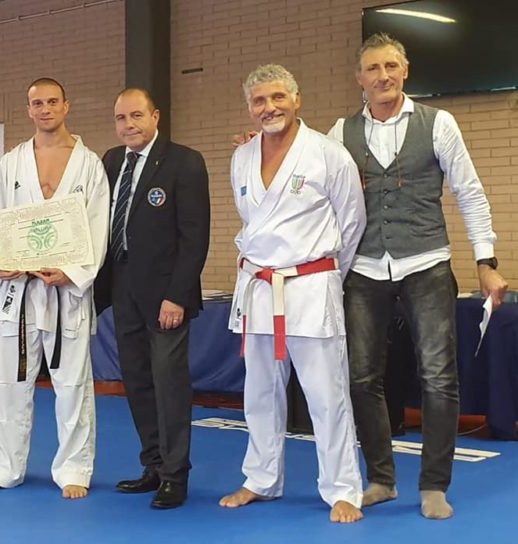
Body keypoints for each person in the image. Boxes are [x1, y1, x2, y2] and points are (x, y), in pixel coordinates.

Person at [328, 33, 509, 520]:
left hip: (426, 262)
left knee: (438, 376)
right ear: (359, 78)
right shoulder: (339, 133)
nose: (383, 75)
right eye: (373, 68)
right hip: (364, 268)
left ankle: (433, 485)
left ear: (405, 71)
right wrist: (262, 147)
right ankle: (381, 479)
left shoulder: (438, 123)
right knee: (362, 377)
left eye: (391, 66)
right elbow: (309, 181)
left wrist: (486, 261)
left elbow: (469, 191)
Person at [219, 64, 365, 523]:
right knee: (259, 392)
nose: (269, 107)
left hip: (310, 286)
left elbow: (352, 223)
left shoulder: (328, 154)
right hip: (259, 287)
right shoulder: (242, 157)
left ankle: (343, 488)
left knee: (326, 394)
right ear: (250, 108)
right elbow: (250, 220)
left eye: (278, 97)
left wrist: (322, 275)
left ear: (297, 100)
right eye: (259, 101)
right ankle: (261, 478)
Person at [0, 78, 109, 499]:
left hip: (67, 291)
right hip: (20, 292)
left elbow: (97, 225)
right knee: (11, 384)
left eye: (52, 101)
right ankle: (6, 468)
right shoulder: (11, 163)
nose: (45, 109)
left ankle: (74, 469)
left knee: (73, 384)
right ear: (28, 109)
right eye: (37, 103)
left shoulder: (89, 164)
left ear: (66, 106)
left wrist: (75, 271)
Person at [94, 88, 210, 509]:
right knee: (137, 381)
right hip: (121, 286)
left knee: (169, 383)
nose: (128, 124)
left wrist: (177, 295)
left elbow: (195, 237)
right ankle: (154, 466)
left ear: (155, 116)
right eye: (121, 118)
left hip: (166, 295)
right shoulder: (111, 162)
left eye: (136, 115)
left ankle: (176, 475)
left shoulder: (184, 162)